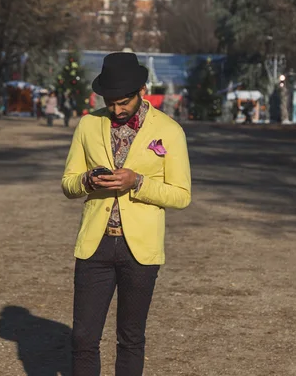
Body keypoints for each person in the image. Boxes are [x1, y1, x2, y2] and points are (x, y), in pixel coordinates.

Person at [61, 52, 192, 376]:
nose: (117, 110)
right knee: (83, 338)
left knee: (131, 338)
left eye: (124, 102)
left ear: (141, 91)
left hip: (141, 249)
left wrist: (138, 182)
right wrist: (87, 181)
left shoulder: (170, 130)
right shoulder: (88, 125)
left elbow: (182, 196)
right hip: (96, 245)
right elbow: (68, 183)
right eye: (111, 102)